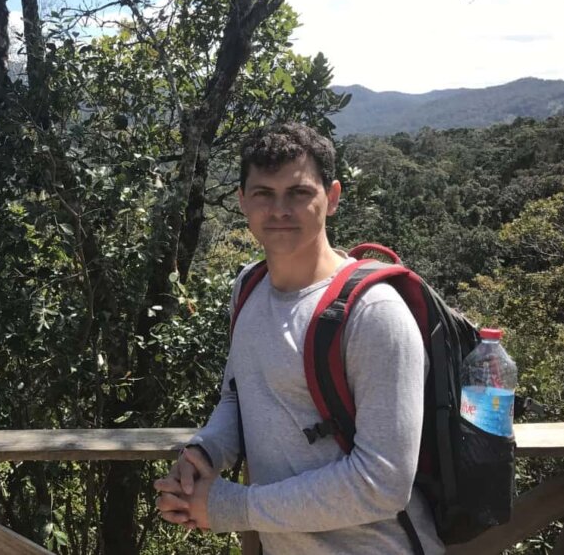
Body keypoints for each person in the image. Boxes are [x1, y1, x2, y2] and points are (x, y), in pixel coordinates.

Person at [154, 122, 444, 554]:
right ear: (242, 202)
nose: (279, 210)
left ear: (333, 198)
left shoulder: (374, 313)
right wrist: (207, 452)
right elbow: (239, 395)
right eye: (263, 194)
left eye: (299, 193)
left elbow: (384, 482)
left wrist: (234, 507)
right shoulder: (248, 288)